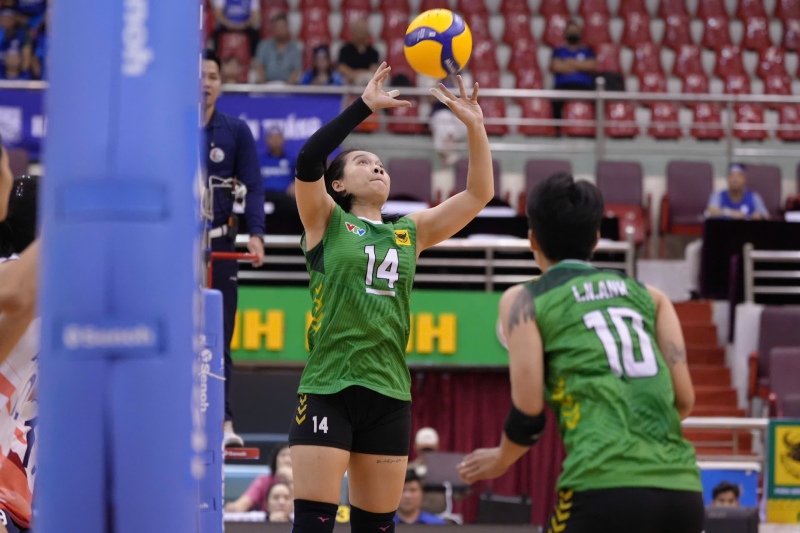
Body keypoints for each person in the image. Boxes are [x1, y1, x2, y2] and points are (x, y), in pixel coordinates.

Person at [287, 63, 492, 533]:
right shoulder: (324, 220)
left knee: (377, 528)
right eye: (362, 161)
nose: (376, 165)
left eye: (380, 162)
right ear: (337, 185)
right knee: (314, 526)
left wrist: (475, 127)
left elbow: (479, 193)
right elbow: (307, 161)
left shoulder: (409, 232)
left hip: (389, 394)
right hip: (328, 389)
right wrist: (363, 107)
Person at [457, 172, 704, 533]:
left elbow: (528, 413)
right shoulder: (651, 296)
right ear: (597, 239)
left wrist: (501, 459)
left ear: (532, 240)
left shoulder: (523, 298)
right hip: (682, 493)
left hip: (603, 487)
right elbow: (684, 401)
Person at [201, 49, 265, 447]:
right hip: (174, 250)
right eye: (199, 75)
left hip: (220, 243)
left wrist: (255, 234)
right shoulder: (169, 127)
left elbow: (254, 185)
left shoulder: (236, 131)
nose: (205, 82)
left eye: (212, 75)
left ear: (220, 84)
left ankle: (224, 423)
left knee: (219, 335)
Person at [685, 163, 769, 298]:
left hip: (746, 242)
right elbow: (710, 211)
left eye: (739, 176)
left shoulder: (754, 197)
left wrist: (757, 216)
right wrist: (730, 213)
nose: (735, 179)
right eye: (732, 176)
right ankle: (693, 291)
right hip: (717, 242)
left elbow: (764, 215)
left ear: (745, 179)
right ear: (728, 179)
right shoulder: (718, 196)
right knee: (693, 249)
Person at [549, 20, 596, 127]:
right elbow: (557, 67)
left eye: (575, 31)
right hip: (563, 86)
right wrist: (580, 65)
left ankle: (594, 131)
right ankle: (557, 131)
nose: (573, 34)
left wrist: (568, 63)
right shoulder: (558, 50)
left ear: (581, 33)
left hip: (584, 86)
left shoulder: (588, 50)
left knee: (598, 100)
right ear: (565, 33)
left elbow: (591, 66)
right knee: (555, 101)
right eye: (571, 31)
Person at [225, 443, 292, 513]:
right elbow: (243, 503)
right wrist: (234, 508)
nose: (286, 460)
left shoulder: (303, 482)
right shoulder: (263, 481)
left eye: (291, 456)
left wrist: (291, 481)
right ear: (275, 460)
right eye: (283, 455)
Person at [429, 75, 467, 167]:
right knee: (445, 120)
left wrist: (454, 81)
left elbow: (462, 100)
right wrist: (437, 82)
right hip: (439, 114)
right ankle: (449, 153)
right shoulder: (434, 82)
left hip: (454, 114)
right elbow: (430, 99)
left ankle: (449, 151)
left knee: (461, 123)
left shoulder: (457, 82)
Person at [253, 13, 301, 84]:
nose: (280, 30)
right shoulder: (264, 46)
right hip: (267, 86)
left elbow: (296, 71)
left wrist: (287, 87)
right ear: (273, 29)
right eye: (277, 27)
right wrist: (263, 86)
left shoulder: (295, 49)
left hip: (288, 88)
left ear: (287, 28)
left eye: (282, 27)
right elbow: (259, 67)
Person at [337, 19, 379, 85]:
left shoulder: (373, 52)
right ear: (352, 32)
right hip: (349, 80)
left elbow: (373, 69)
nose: (360, 33)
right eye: (358, 30)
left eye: (362, 30)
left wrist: (357, 74)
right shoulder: (345, 50)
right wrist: (352, 74)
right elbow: (341, 67)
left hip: (366, 80)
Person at [260, 127, 295, 197]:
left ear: (283, 139)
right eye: (272, 138)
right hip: (265, 196)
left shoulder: (292, 160)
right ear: (267, 140)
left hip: (286, 197)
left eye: (278, 138)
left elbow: (300, 178)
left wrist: (295, 184)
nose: (275, 141)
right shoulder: (259, 160)